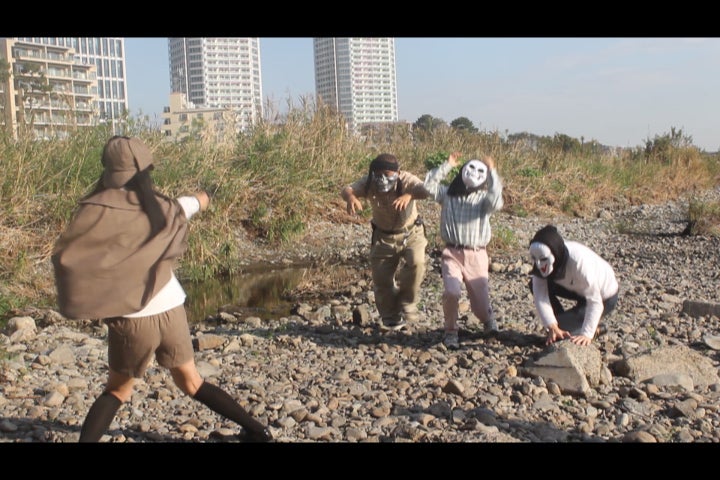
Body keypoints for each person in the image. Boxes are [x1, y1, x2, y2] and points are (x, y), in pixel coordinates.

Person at [52, 136, 272, 443]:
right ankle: (258, 431)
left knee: (117, 390)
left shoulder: (95, 213)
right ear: (146, 171)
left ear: (108, 170)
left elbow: (68, 258)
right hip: (172, 310)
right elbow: (195, 202)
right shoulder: (166, 207)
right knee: (192, 382)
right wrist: (208, 194)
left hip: (132, 320)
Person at [340, 153, 430, 331]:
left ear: (397, 172)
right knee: (381, 279)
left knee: (417, 263)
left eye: (387, 175)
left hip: (411, 233)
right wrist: (351, 197)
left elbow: (426, 189)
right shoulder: (369, 182)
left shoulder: (406, 179)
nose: (382, 179)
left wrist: (408, 195)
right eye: (378, 174)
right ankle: (391, 318)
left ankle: (407, 301)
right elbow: (347, 189)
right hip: (383, 237)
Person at [424, 151, 504, 350]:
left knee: (480, 304)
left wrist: (492, 172)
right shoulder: (447, 194)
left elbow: (496, 201)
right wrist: (448, 165)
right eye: (471, 169)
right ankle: (451, 331)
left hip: (477, 254)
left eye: (480, 171)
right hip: (452, 253)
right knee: (451, 292)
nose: (475, 173)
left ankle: (488, 320)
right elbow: (428, 186)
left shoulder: (483, 199)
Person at [528, 224, 619, 346]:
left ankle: (595, 329)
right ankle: (563, 323)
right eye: (534, 259)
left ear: (555, 254)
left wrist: (587, 334)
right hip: (576, 289)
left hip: (604, 297)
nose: (538, 264)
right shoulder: (540, 262)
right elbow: (540, 295)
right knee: (557, 328)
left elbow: (595, 302)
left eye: (543, 259)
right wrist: (552, 325)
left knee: (564, 334)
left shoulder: (579, 263)